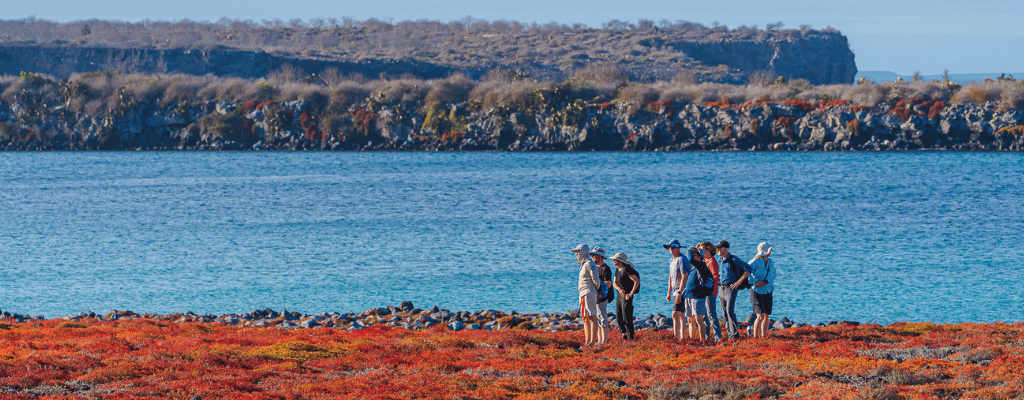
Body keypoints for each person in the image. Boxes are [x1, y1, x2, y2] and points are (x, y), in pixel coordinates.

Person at [715, 240, 753, 340]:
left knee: (729, 311)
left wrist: (738, 282)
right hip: (721, 288)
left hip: (730, 289)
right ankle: (730, 335)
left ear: (725, 249)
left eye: (719, 248)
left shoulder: (734, 259)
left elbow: (748, 269)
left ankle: (735, 335)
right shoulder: (720, 259)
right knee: (724, 313)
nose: (717, 250)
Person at [572, 244, 601, 346]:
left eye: (578, 251)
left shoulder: (589, 263)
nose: (576, 254)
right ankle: (587, 341)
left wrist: (597, 290)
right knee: (585, 317)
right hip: (583, 294)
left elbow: (596, 280)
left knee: (592, 317)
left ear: (583, 252)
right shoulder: (583, 264)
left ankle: (592, 342)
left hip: (588, 293)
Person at [748, 242, 777, 338]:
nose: (771, 251)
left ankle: (764, 336)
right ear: (766, 251)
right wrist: (756, 281)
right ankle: (756, 337)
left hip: (768, 290)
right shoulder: (753, 262)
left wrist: (768, 281)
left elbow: (774, 274)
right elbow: (746, 274)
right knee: (760, 315)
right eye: (770, 249)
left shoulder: (770, 262)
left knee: (766, 315)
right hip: (757, 291)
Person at [664, 239, 689, 340]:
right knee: (681, 314)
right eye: (669, 247)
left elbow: (685, 276)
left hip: (682, 289)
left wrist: (679, 292)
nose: (670, 249)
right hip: (675, 290)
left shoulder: (682, 259)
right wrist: (669, 292)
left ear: (677, 248)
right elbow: (670, 276)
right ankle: (680, 337)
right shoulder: (671, 260)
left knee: (675, 313)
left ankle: (678, 337)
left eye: (672, 247)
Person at [611, 252, 640, 340]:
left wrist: (630, 294)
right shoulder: (617, 269)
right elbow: (614, 283)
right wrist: (619, 290)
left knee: (626, 316)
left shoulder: (627, 270)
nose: (613, 260)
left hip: (627, 295)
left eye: (615, 259)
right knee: (619, 315)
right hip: (620, 295)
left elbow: (636, 281)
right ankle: (623, 334)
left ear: (620, 261)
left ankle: (631, 336)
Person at [684, 246, 709, 341]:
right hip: (689, 295)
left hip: (698, 296)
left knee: (699, 319)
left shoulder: (702, 265)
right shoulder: (694, 268)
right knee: (690, 320)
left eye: (694, 254)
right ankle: (692, 339)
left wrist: (690, 250)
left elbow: (690, 259)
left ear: (698, 256)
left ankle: (703, 340)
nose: (691, 256)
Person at [699, 241, 722, 342]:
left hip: (710, 292)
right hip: (705, 292)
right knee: (705, 316)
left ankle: (718, 337)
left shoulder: (712, 261)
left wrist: (710, 288)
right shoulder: (705, 261)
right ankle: (707, 337)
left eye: (703, 250)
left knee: (711, 314)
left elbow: (715, 277)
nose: (701, 252)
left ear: (708, 250)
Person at [590, 246, 612, 346]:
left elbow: (608, 284)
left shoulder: (605, 269)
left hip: (602, 297)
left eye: (594, 254)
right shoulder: (594, 267)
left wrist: (600, 294)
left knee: (602, 319)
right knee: (597, 320)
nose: (592, 256)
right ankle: (600, 341)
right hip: (594, 297)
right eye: (592, 254)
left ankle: (604, 341)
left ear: (600, 256)